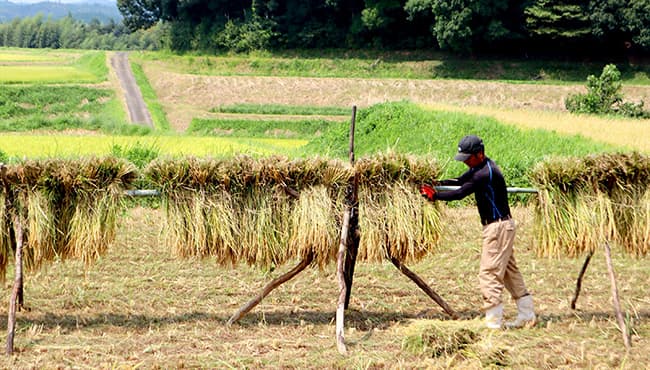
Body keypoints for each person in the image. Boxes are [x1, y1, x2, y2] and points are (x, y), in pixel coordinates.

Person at [419, 135, 536, 329]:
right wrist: (435, 183)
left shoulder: (485, 174)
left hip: (497, 228)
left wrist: (435, 195)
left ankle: (493, 322)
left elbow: (460, 193)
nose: (465, 162)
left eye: (468, 158)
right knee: (509, 271)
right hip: (502, 227)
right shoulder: (479, 167)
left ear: (479, 154)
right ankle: (526, 315)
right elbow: (458, 181)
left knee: (489, 273)